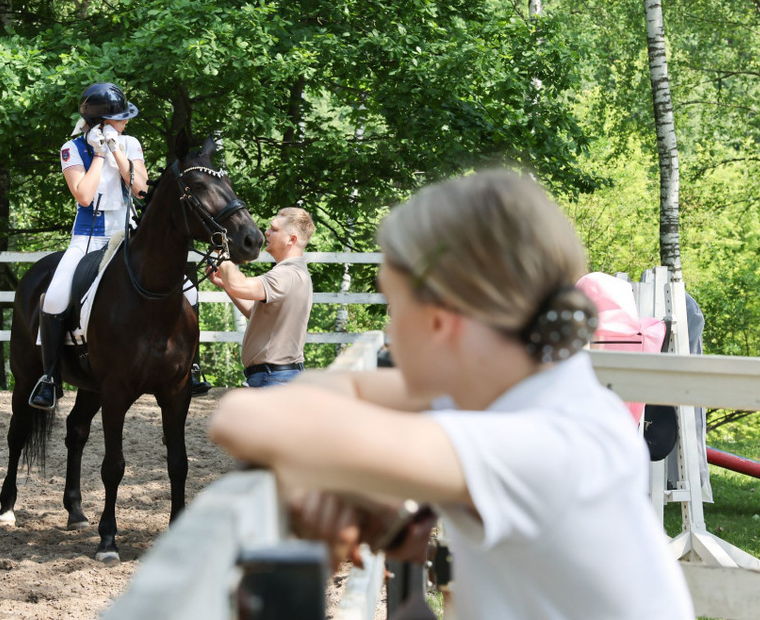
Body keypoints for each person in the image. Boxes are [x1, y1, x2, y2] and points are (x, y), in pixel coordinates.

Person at [208, 169, 694, 620]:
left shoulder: (535, 440)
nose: (390, 331)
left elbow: (241, 419)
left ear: (440, 321)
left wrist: (351, 481)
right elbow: (342, 387)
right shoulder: (525, 395)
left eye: (394, 308)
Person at [28, 82, 146, 410]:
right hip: (88, 237)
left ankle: (190, 367)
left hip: (127, 235)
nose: (126, 123)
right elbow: (83, 194)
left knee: (182, 284)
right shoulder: (71, 148)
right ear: (102, 123)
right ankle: (49, 378)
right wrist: (98, 154)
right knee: (53, 297)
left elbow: (140, 189)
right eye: (120, 119)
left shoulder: (131, 143)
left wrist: (117, 151)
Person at [208, 207, 315, 387]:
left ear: (292, 240)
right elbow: (254, 312)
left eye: (274, 229)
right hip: (275, 376)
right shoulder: (294, 273)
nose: (266, 232)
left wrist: (222, 251)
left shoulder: (286, 275)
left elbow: (239, 285)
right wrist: (224, 284)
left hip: (273, 378)